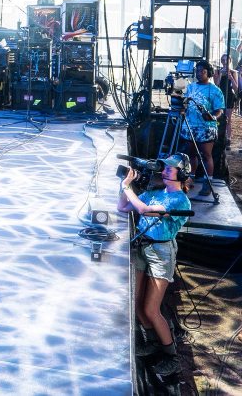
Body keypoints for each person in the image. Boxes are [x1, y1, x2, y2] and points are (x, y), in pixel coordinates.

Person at [117, 154, 192, 373]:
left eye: (171, 168)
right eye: (165, 167)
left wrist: (127, 187)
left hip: (161, 253)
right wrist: (125, 186)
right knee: (136, 302)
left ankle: (172, 356)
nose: (165, 170)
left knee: (151, 309)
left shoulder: (180, 200)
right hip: (143, 247)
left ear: (182, 173)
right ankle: (152, 342)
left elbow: (143, 210)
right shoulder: (155, 193)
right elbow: (123, 207)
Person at [178, 60, 224, 197]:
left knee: (206, 155)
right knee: (190, 154)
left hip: (206, 128)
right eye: (197, 71)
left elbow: (219, 110)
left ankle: (207, 183)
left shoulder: (215, 90)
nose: (199, 73)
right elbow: (184, 103)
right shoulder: (190, 87)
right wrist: (182, 108)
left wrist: (213, 117)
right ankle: (190, 179)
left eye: (202, 71)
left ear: (209, 73)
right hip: (190, 125)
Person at [214, 53, 238, 147]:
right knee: (219, 117)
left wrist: (231, 77)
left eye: (226, 60)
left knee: (228, 119)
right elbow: (216, 86)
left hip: (229, 96)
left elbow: (236, 88)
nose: (224, 62)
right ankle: (219, 137)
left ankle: (228, 138)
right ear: (221, 61)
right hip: (220, 97)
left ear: (230, 61)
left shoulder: (233, 72)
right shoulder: (217, 71)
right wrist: (220, 75)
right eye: (223, 60)